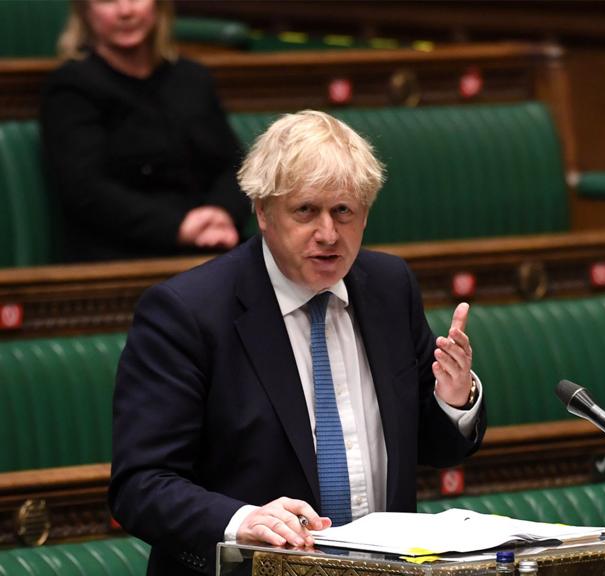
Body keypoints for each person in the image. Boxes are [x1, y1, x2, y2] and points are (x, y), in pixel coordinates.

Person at [109, 110, 486, 575]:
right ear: (262, 211)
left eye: (343, 211)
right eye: (306, 211)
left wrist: (454, 400)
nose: (328, 234)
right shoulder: (187, 313)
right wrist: (241, 521)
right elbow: (141, 484)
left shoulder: (390, 287)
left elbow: (436, 448)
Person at [41, 0, 249, 262]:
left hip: (212, 244)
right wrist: (179, 227)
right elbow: (85, 190)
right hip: (120, 258)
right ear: (85, 11)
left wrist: (222, 212)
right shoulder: (71, 87)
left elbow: (235, 166)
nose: (125, 11)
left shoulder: (192, 78)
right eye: (108, 1)